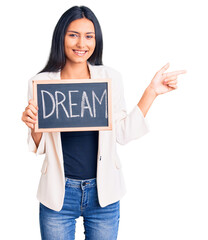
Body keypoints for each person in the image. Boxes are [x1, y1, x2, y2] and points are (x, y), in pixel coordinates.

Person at [21, 5, 186, 240]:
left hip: (103, 192)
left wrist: (151, 92)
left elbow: (122, 134)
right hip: (58, 193)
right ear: (61, 37)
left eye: (89, 36)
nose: (82, 44)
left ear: (96, 40)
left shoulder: (110, 79)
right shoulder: (41, 83)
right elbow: (42, 146)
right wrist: (33, 125)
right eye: (73, 35)